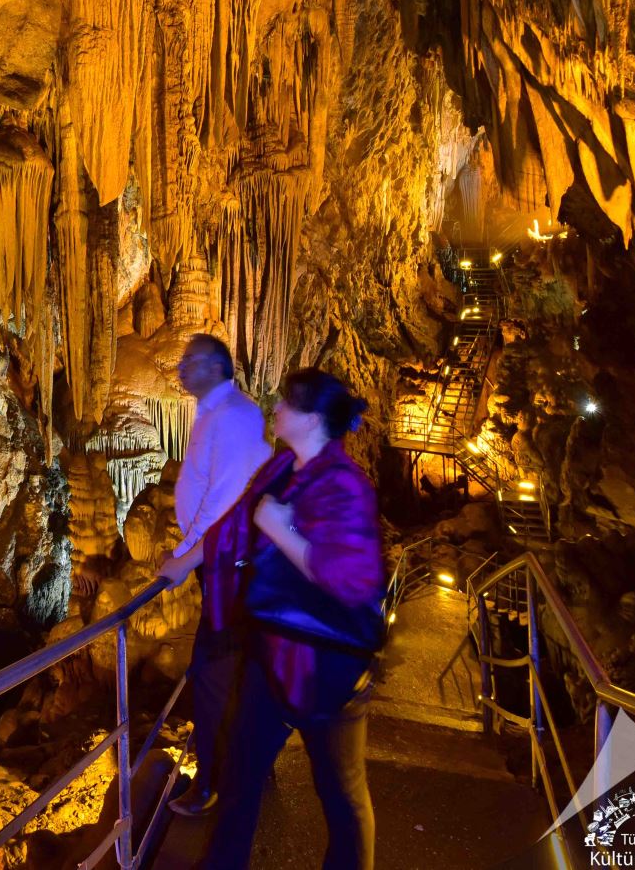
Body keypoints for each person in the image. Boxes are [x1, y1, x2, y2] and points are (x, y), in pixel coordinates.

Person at [163, 368, 385, 870]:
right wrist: (185, 562)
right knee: (240, 776)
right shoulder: (281, 468)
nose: (277, 408)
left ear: (312, 418)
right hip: (273, 656)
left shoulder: (345, 486)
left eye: (287, 402)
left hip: (329, 668)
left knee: (342, 795)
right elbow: (236, 526)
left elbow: (352, 579)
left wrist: (283, 531)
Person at [157, 335, 270, 816]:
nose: (182, 367)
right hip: (223, 566)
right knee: (229, 675)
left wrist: (185, 558)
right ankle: (245, 772)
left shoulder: (235, 416)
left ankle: (213, 786)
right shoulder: (212, 414)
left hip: (233, 571)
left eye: (191, 360)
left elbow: (225, 503)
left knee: (212, 677)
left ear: (217, 367)